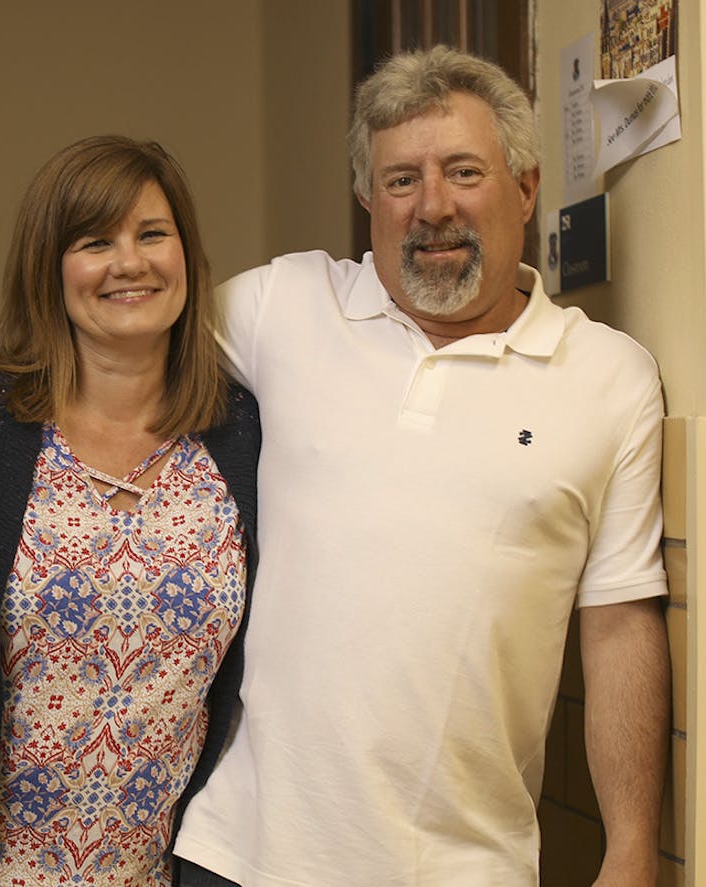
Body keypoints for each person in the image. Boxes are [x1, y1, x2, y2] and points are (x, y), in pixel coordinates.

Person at [173, 46, 670, 886]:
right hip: (241, 857)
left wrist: (629, 849)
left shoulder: (610, 378)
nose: (431, 206)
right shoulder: (285, 306)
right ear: (368, 201)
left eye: (463, 171)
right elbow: (121, 347)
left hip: (468, 868)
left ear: (526, 186)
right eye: (401, 180)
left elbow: (619, 623)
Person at [0, 136, 261, 886]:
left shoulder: (239, 432)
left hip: (155, 870)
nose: (129, 262)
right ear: (52, 267)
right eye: (94, 241)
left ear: (186, 253)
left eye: (151, 234)